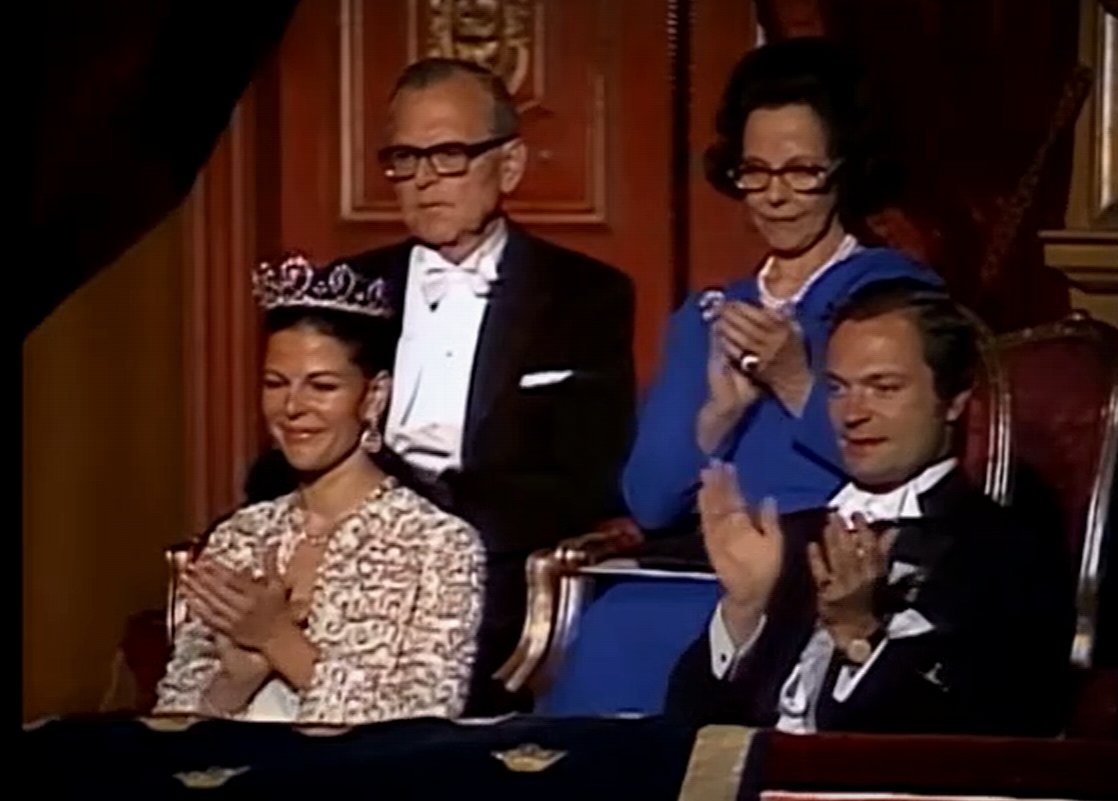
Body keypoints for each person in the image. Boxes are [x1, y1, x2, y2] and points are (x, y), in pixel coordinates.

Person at [249, 58, 637, 714]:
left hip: (487, 560)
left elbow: (584, 475)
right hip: (335, 540)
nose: (424, 180)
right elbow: (293, 438)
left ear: (508, 165)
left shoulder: (584, 295)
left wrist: (425, 532)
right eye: (405, 157)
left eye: (449, 155)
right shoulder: (352, 289)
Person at [664, 280, 1075, 736]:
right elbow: (687, 727)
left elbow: (998, 728)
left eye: (883, 388)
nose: (852, 413)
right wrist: (743, 609)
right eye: (838, 389)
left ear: (954, 400)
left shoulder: (1002, 546)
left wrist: (861, 633)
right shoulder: (792, 537)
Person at [624, 38, 942, 531]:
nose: (775, 195)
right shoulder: (710, 314)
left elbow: (910, 470)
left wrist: (796, 381)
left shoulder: (891, 294)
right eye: (755, 172)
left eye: (801, 172)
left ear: (845, 170)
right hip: (695, 573)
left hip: (826, 571)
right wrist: (718, 418)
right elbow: (649, 503)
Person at [155, 256, 486, 725]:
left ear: (373, 397)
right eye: (275, 384)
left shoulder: (438, 546)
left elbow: (418, 731)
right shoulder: (240, 536)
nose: (292, 407)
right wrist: (237, 681)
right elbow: (171, 729)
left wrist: (279, 641)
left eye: (322, 386)